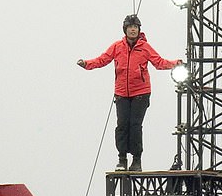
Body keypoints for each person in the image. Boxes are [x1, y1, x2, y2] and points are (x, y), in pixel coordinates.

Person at [77, 14, 181, 172]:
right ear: (125, 29)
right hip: (121, 93)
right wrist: (86, 64)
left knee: (135, 125)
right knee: (122, 125)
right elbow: (102, 59)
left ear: (139, 30)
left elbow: (159, 62)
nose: (133, 29)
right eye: (130, 27)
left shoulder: (145, 47)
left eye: (136, 27)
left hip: (141, 92)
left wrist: (175, 64)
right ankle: (122, 159)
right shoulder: (117, 47)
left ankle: (137, 160)